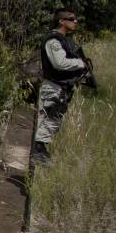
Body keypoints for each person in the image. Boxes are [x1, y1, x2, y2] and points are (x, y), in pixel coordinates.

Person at [34, 9, 91, 165]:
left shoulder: (64, 40)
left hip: (60, 87)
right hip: (53, 86)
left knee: (53, 119)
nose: (75, 21)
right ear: (61, 21)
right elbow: (59, 63)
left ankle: (39, 151)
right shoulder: (53, 40)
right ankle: (38, 152)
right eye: (71, 19)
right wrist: (80, 63)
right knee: (51, 119)